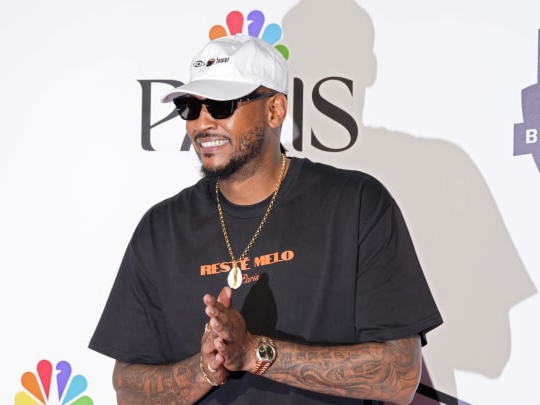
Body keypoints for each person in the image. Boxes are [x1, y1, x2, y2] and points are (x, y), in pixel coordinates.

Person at [89, 34, 442, 405]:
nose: (201, 124)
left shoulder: (356, 204)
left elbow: (400, 374)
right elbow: (127, 390)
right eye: (190, 108)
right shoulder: (160, 229)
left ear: (274, 109)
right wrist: (205, 369)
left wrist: (255, 353)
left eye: (222, 105)